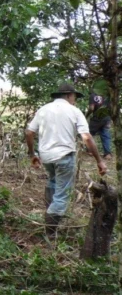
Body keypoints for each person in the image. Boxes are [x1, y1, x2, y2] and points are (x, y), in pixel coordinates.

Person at [25, 83, 107, 238]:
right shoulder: (74, 111)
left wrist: (32, 154)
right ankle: (50, 232)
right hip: (64, 156)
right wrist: (99, 161)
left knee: (53, 182)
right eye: (74, 97)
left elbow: (29, 133)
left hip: (46, 156)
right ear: (69, 95)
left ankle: (50, 213)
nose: (75, 100)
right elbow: (86, 137)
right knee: (62, 194)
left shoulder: (43, 110)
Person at [86, 89, 112, 160]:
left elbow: (91, 108)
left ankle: (90, 151)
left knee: (89, 134)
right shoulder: (106, 96)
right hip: (106, 118)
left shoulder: (93, 95)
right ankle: (107, 154)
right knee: (106, 135)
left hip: (97, 118)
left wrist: (86, 115)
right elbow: (110, 107)